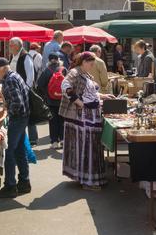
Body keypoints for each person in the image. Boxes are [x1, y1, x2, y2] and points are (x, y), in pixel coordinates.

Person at [60, 52, 106, 190]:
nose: (92, 66)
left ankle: (88, 179)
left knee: (91, 146)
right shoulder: (75, 72)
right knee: (87, 147)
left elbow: (90, 92)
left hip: (91, 117)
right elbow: (65, 85)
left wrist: (103, 96)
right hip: (83, 117)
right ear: (84, 62)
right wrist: (79, 103)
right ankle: (87, 181)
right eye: (90, 64)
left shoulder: (86, 74)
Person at [0, 58, 31, 199]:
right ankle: (24, 182)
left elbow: (17, 103)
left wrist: (6, 112)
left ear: (2, 68)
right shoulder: (15, 75)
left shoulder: (10, 80)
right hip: (23, 117)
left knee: (10, 152)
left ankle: (10, 186)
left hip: (18, 118)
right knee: (19, 150)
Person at [37, 54, 65, 148]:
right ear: (58, 60)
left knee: (53, 121)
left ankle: (54, 142)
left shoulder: (47, 71)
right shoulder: (63, 70)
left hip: (51, 100)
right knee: (62, 119)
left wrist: (46, 93)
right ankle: (63, 139)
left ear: (49, 60)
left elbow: (40, 84)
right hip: (62, 99)